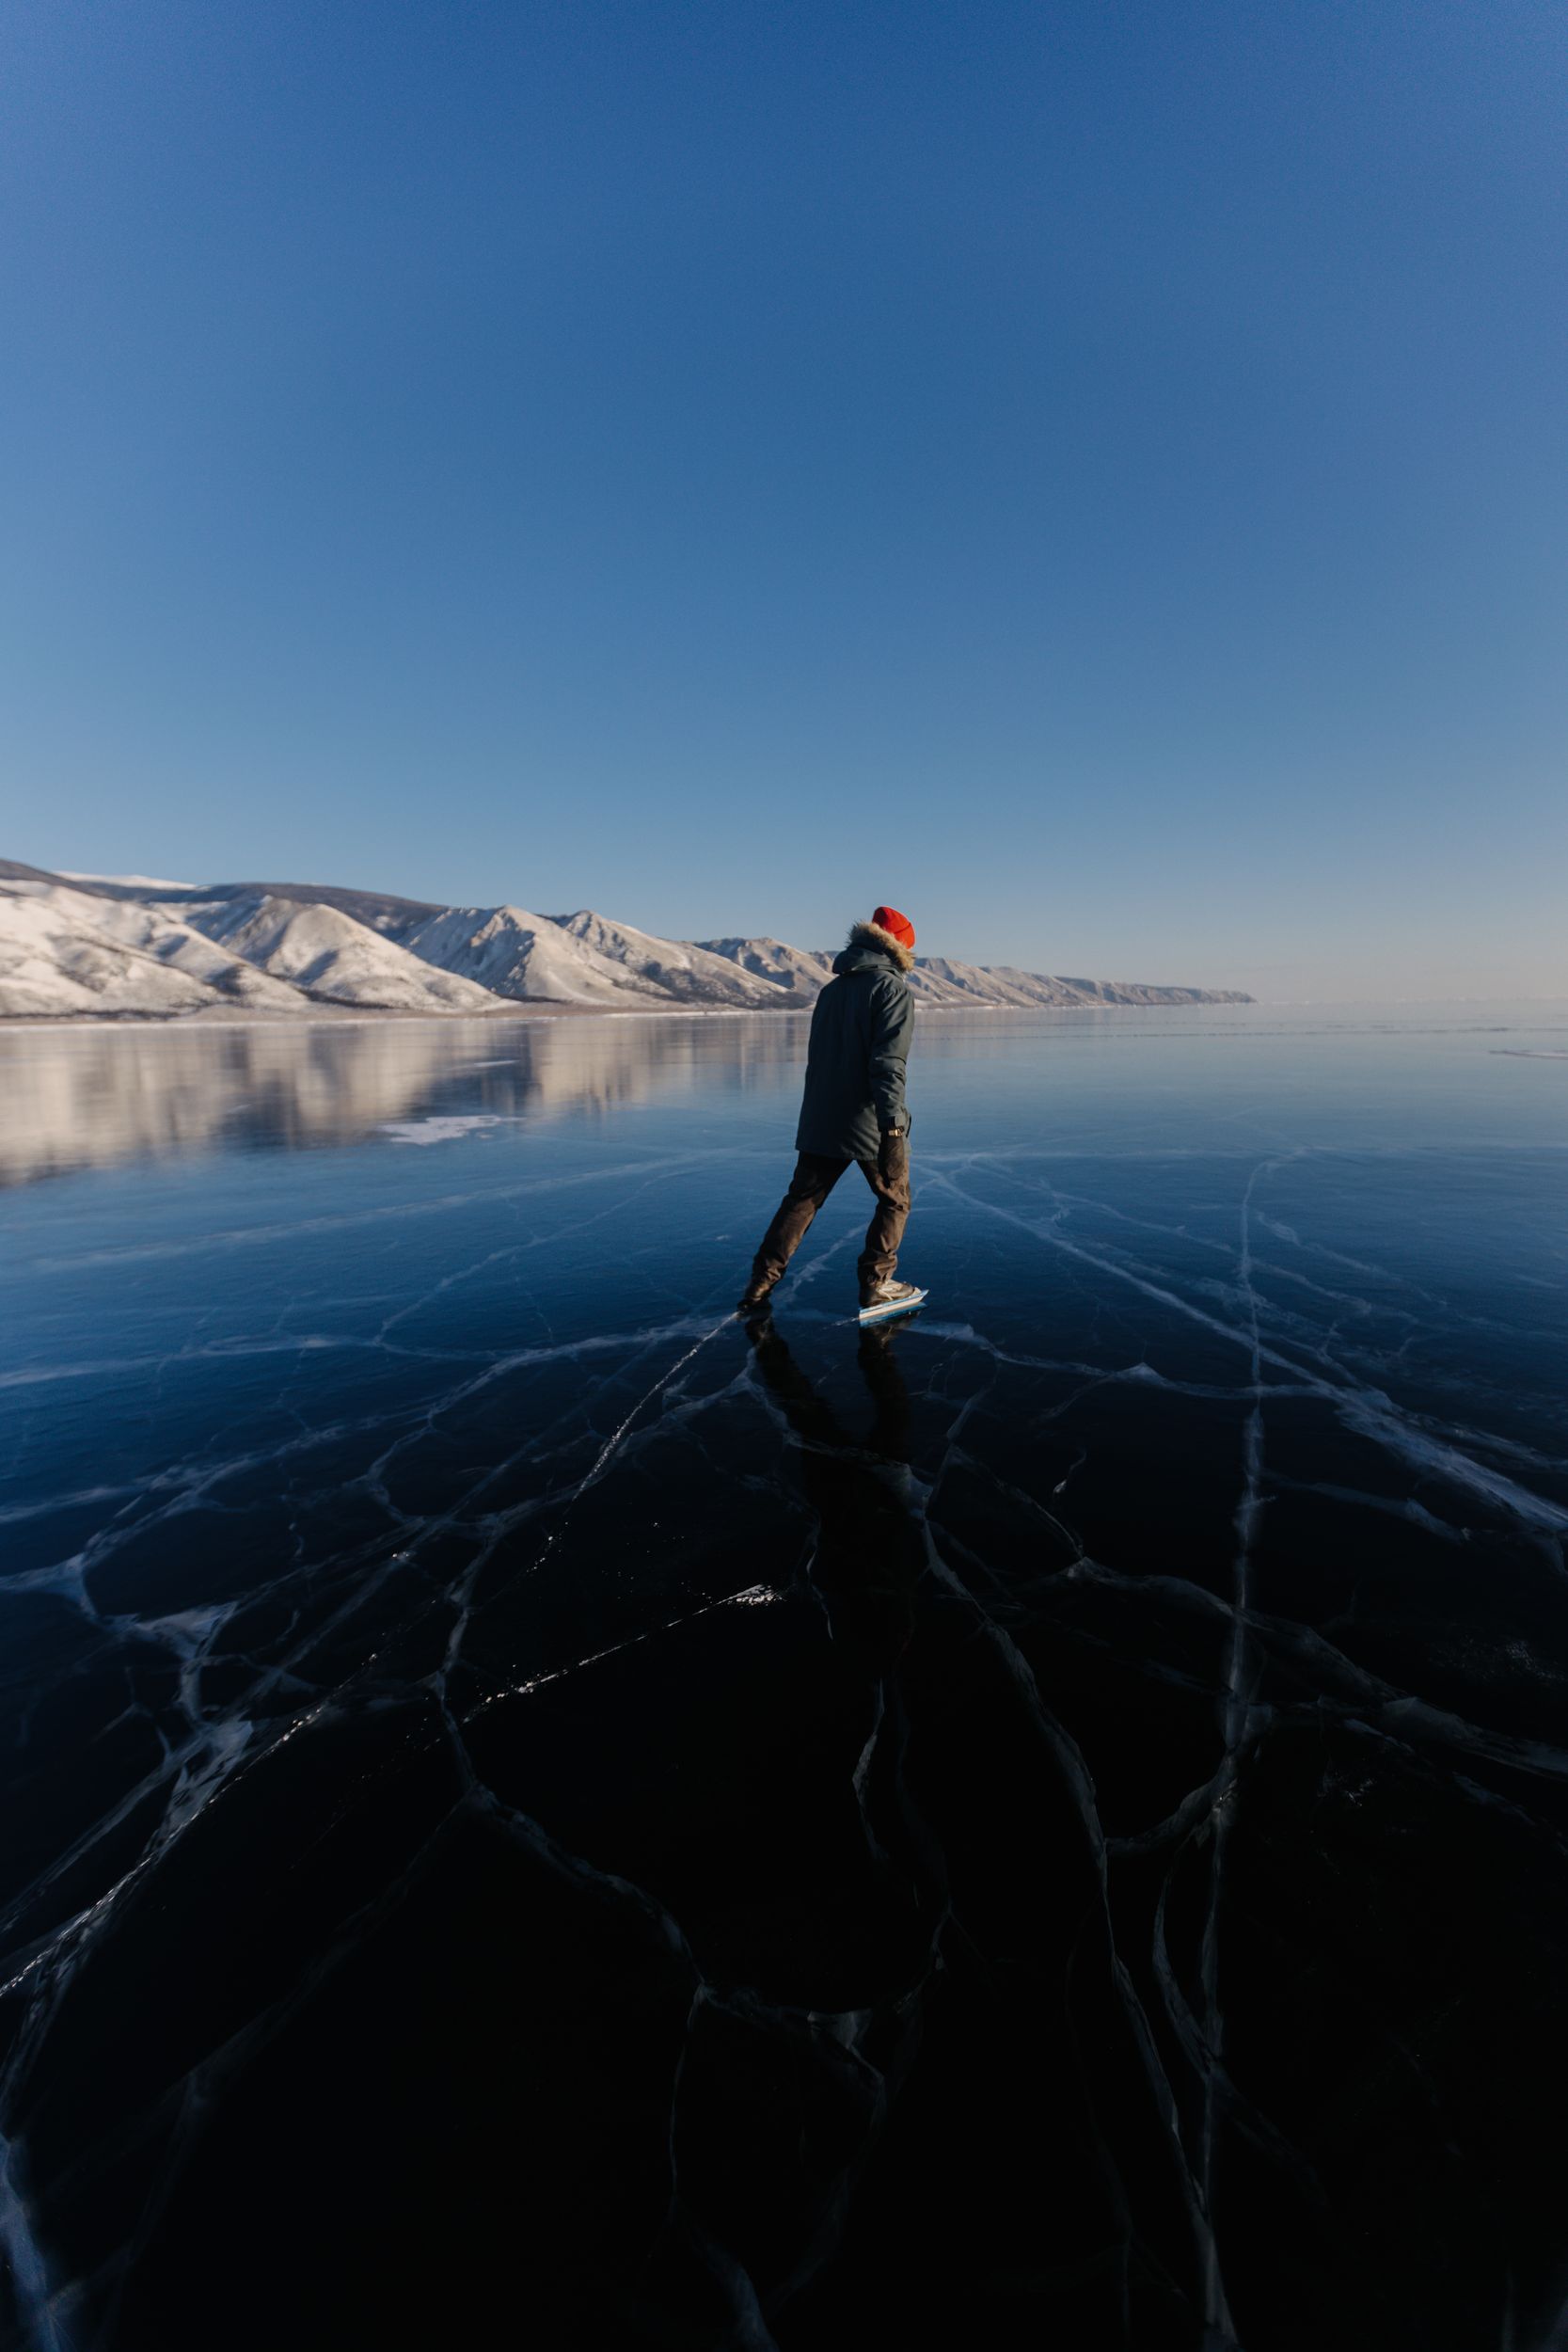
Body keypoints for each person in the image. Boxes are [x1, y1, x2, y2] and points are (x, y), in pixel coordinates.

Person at [739, 905, 925, 1318]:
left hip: (821, 1119)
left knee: (802, 1201)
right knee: (895, 1199)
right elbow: (887, 1065)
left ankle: (760, 1282)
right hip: (868, 1121)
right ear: (900, 949)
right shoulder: (891, 990)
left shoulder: (832, 990)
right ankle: (877, 1284)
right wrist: (893, 1129)